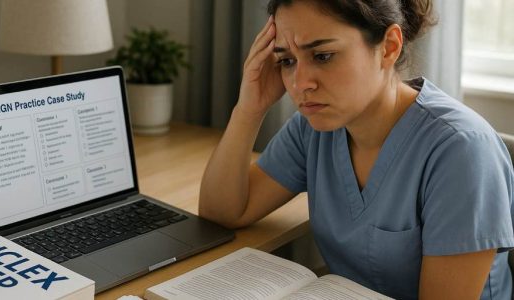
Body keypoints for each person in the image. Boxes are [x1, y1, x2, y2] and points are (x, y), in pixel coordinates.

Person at [198, 0, 514, 299]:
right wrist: (250, 108)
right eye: (287, 61)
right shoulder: (313, 128)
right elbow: (225, 211)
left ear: (389, 47)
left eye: (322, 56)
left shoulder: (462, 152)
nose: (300, 83)